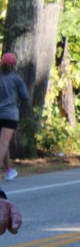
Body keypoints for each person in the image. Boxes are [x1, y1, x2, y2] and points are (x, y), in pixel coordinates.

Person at [0, 53, 29, 181]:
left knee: (3, 143)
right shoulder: (16, 79)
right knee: (3, 143)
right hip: (10, 115)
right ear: (13, 65)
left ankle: (8, 170)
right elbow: (25, 96)